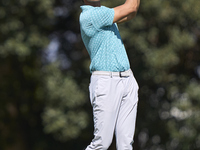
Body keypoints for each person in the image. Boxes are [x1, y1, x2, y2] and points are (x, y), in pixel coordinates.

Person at [79, 0, 140, 149]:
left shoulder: (104, 11)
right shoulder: (91, 15)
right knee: (101, 144)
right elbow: (130, 7)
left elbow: (131, 12)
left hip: (127, 79)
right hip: (106, 82)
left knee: (126, 145)